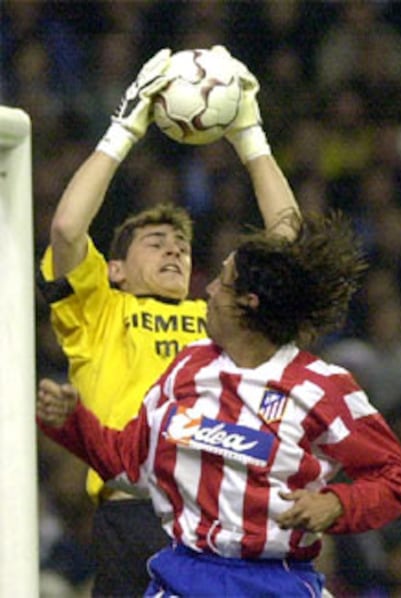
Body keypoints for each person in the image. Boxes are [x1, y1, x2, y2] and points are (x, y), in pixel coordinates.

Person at [37, 210, 401, 597]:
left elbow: (398, 480)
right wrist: (73, 423)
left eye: (223, 280)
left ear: (247, 303)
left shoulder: (322, 387)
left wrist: (337, 503)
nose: (210, 290)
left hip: (274, 581)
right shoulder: (188, 366)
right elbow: (127, 460)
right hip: (184, 574)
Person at [37, 46, 300, 596]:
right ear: (114, 269)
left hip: (222, 517)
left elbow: (287, 245)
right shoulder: (100, 309)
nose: (175, 251)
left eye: (181, 245)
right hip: (136, 516)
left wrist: (251, 136)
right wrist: (127, 123)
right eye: (156, 243)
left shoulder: (219, 316)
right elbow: (65, 228)